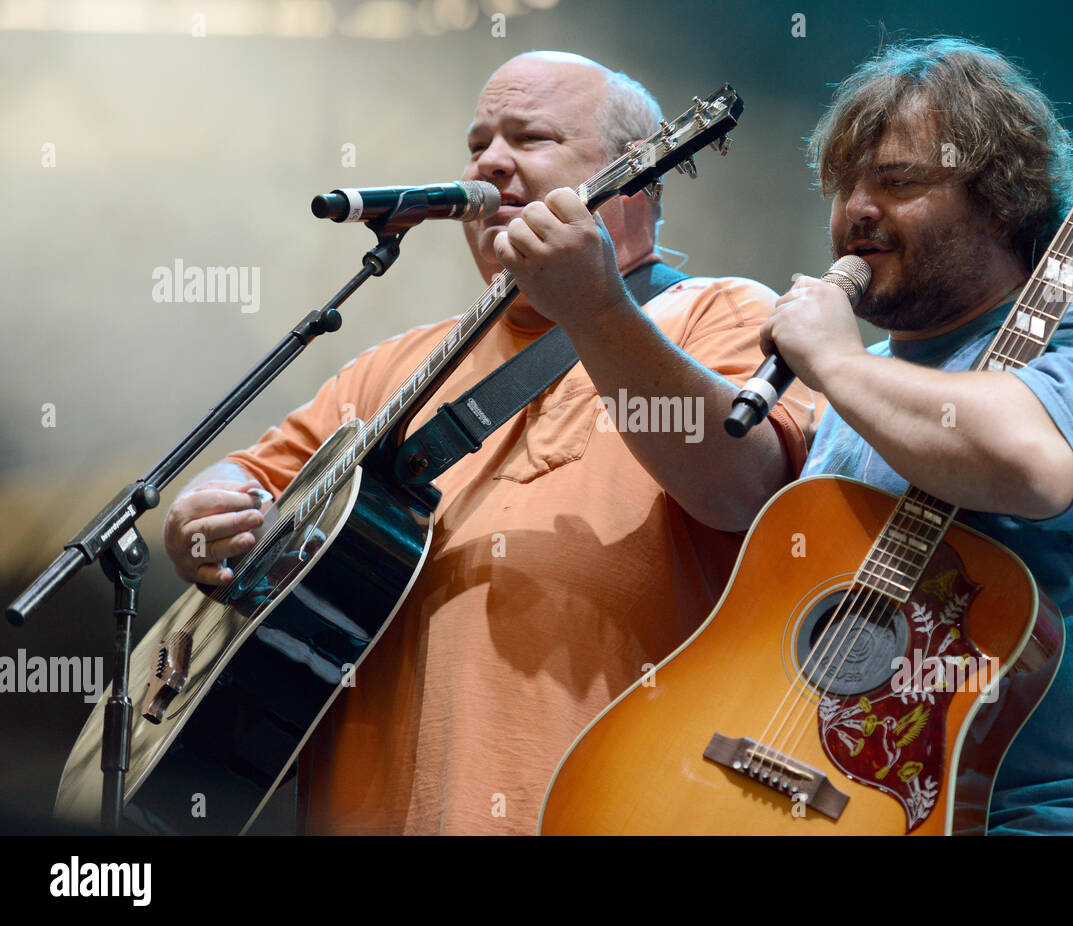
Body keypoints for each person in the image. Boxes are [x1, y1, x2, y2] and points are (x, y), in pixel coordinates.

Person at [161, 51, 817, 834]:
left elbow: (741, 489)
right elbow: (250, 475)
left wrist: (599, 308)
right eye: (477, 144)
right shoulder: (399, 364)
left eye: (529, 137)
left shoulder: (724, 313)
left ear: (635, 174)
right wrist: (199, 512)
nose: (490, 163)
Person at [761, 37, 1073, 834]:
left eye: (897, 182)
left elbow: (1027, 465)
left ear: (1001, 200)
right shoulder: (866, 386)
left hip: (1061, 814)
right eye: (844, 185)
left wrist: (834, 362)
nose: (857, 209)